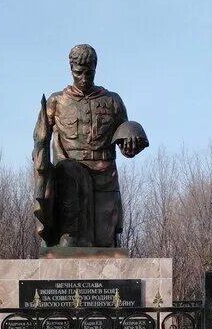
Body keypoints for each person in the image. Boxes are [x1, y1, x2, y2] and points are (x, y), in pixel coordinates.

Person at [33, 44, 147, 248]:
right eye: (79, 73)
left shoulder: (112, 101)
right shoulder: (57, 101)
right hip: (70, 179)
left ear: (96, 68)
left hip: (105, 176)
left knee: (105, 245)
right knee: (71, 243)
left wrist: (131, 144)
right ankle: (68, 234)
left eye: (89, 73)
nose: (84, 79)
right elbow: (40, 139)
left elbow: (125, 144)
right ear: (71, 70)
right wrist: (42, 167)